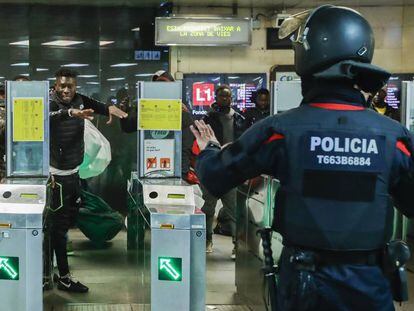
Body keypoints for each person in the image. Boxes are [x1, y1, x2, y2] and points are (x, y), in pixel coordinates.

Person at [191, 5, 414, 310]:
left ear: (307, 53)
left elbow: (217, 176)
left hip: (305, 284)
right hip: (370, 284)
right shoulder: (395, 137)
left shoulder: (281, 130)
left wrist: (209, 150)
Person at [49, 68, 127, 293]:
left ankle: (54, 271)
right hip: (57, 178)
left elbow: (97, 105)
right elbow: (49, 116)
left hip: (73, 175)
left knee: (70, 221)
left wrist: (109, 108)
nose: (65, 90)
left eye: (69, 86)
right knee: (59, 228)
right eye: (61, 85)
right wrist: (71, 113)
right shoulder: (51, 104)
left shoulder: (80, 99)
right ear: (56, 86)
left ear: (75, 86)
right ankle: (63, 277)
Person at [119, 70, 195, 182]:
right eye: (156, 87)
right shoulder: (146, 109)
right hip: (149, 169)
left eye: (164, 86)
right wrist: (125, 113)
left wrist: (182, 172)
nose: (160, 90)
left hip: (174, 170)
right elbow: (128, 127)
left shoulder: (180, 110)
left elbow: (186, 144)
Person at [200, 84, 245, 256]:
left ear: (231, 98)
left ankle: (237, 245)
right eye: (221, 96)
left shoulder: (240, 119)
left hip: (231, 170)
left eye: (227, 96)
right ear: (216, 98)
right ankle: (207, 240)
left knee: (234, 210)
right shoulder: (208, 119)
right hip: (212, 170)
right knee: (208, 209)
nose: (224, 99)